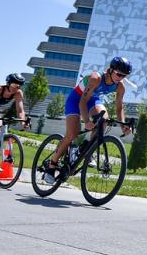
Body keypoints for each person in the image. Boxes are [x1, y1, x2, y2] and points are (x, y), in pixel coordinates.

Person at [42, 56, 133, 184]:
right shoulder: (96, 78)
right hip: (76, 100)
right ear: (111, 70)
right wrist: (87, 121)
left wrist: (123, 124)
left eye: (124, 76)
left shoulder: (120, 87)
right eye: (119, 74)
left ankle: (85, 150)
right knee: (72, 134)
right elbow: (82, 102)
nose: (120, 78)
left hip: (93, 101)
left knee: (104, 120)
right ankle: (51, 165)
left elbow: (119, 108)